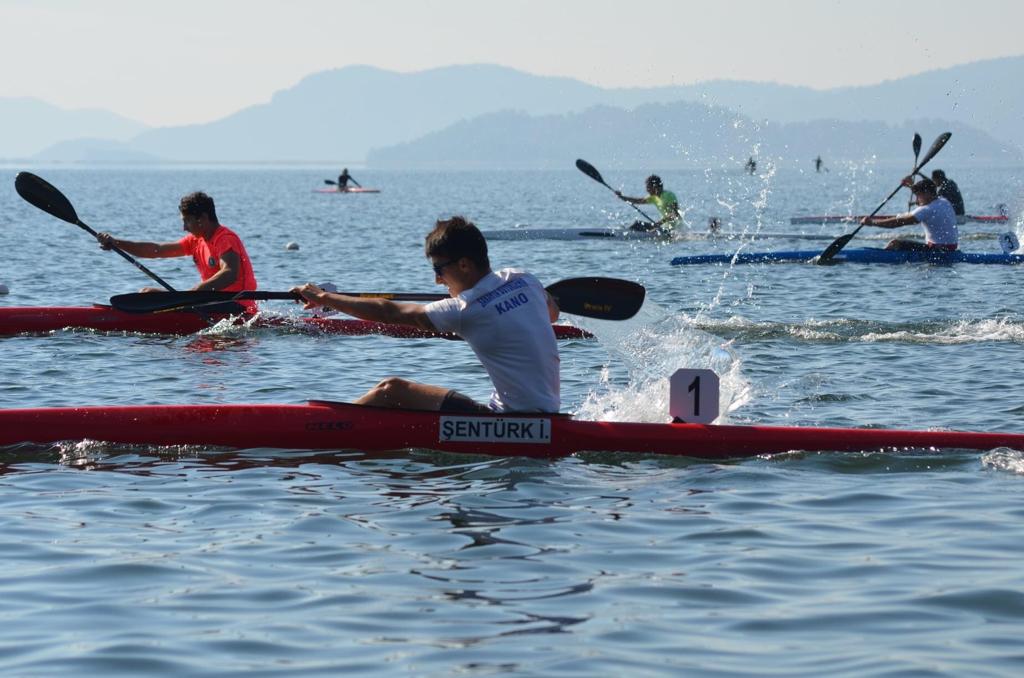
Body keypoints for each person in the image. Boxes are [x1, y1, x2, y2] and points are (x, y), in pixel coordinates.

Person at [291, 216, 560, 413]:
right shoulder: (523, 279)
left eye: (439, 270)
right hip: (547, 411)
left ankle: (326, 427)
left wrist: (323, 298)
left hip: (512, 422)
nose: (437, 281)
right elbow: (552, 314)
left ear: (464, 264)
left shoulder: (465, 309)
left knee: (390, 390)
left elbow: (390, 312)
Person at [96, 192, 258, 309]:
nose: (184, 228)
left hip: (237, 306)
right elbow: (156, 250)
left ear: (202, 218)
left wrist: (193, 293)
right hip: (208, 301)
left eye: (187, 221)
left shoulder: (225, 238)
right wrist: (116, 243)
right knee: (147, 293)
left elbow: (229, 273)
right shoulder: (196, 241)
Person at [861, 177, 958, 252]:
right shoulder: (943, 201)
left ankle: (881, 260)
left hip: (937, 251)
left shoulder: (927, 210)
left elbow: (897, 223)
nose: (916, 200)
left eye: (918, 196)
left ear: (927, 193)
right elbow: (927, 188)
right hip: (950, 248)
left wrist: (873, 222)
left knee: (895, 243)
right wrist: (911, 185)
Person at [614, 175, 681, 234]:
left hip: (672, 229)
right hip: (662, 226)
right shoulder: (654, 197)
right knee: (637, 224)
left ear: (655, 187)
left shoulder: (669, 196)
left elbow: (675, 214)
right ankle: (626, 233)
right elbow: (638, 201)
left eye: (648, 188)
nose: (647, 190)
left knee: (651, 230)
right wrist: (622, 197)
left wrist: (658, 224)